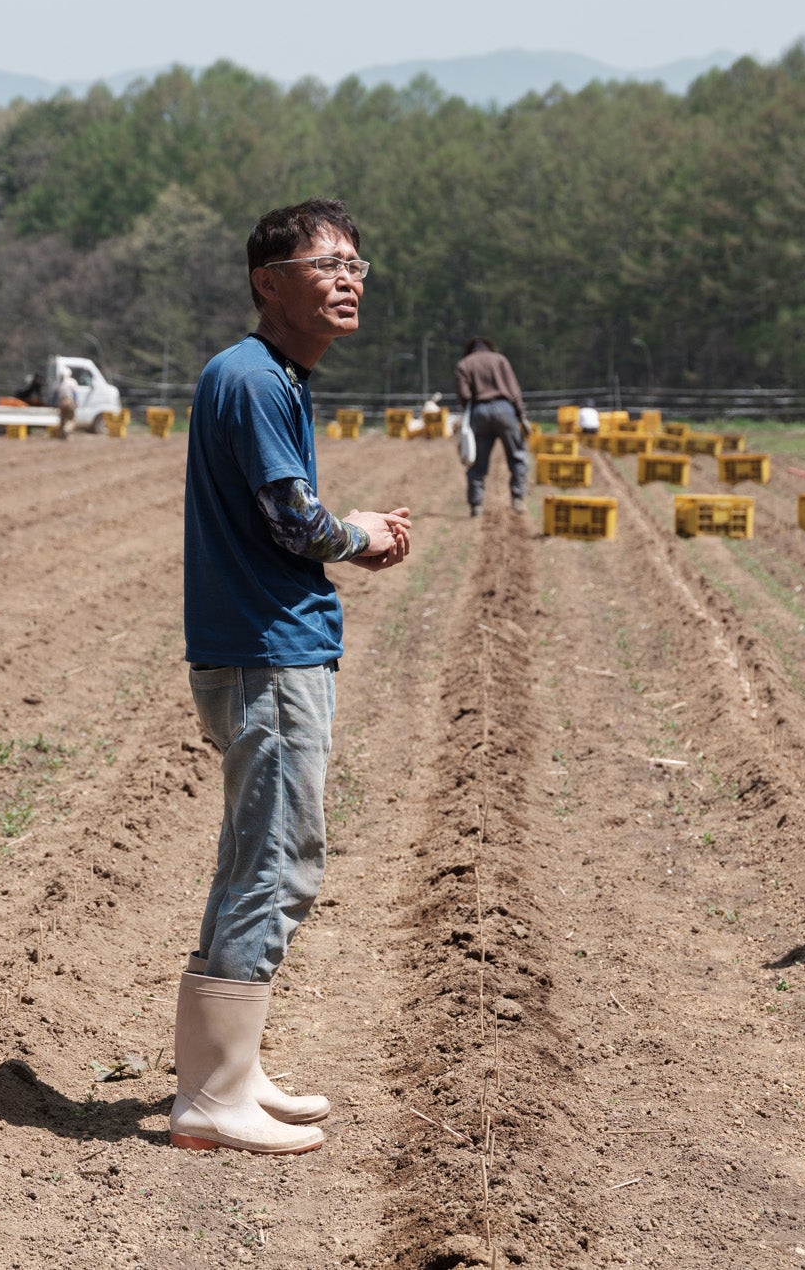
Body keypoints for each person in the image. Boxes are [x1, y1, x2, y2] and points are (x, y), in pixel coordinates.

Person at [177, 198, 412, 1155]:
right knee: (277, 859)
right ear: (269, 282)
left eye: (357, 262)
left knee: (256, 856)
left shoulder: (264, 374)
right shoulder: (255, 379)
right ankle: (213, 1097)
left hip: (262, 646)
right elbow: (292, 521)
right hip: (269, 651)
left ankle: (230, 1072)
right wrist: (361, 535)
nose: (349, 278)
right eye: (327, 263)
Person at [454, 337, 531, 515]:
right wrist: (522, 416)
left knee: (477, 462)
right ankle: (518, 498)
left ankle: (476, 505)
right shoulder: (500, 360)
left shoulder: (464, 365)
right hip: (505, 410)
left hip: (479, 412)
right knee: (517, 456)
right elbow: (514, 390)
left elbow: (464, 395)